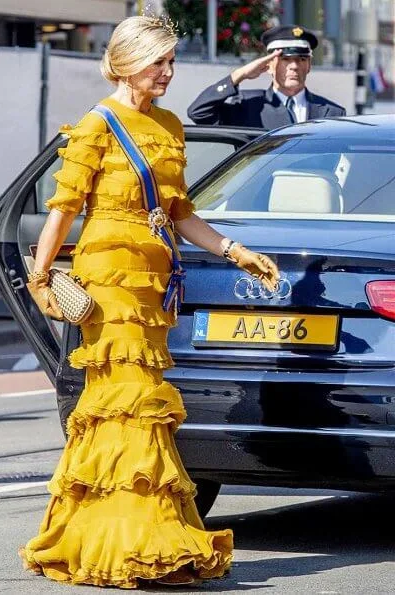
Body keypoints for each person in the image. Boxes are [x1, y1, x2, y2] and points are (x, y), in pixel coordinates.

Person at [18, 15, 279, 589]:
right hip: (108, 281)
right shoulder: (96, 125)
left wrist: (236, 250)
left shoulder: (167, 125)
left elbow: (181, 213)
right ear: (129, 60)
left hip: (154, 281)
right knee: (127, 401)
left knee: (139, 403)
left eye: (171, 61)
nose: (169, 72)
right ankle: (130, 539)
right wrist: (40, 275)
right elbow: (63, 210)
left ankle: (129, 530)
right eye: (159, 61)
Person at [188, 25, 346, 129]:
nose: (294, 66)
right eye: (286, 59)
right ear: (269, 64)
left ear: (309, 65)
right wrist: (239, 75)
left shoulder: (332, 113)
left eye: (301, 59)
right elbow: (199, 112)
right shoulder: (249, 106)